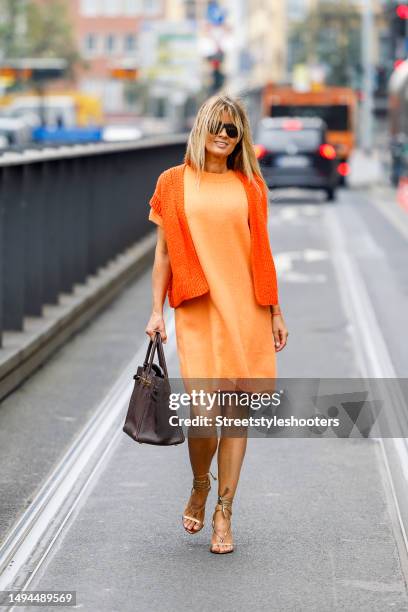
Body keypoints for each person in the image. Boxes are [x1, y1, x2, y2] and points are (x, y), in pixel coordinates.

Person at [145, 93, 288, 554]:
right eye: (217, 127)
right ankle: (200, 485)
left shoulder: (251, 187)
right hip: (197, 309)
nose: (223, 137)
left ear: (241, 136)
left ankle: (224, 513)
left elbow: (261, 253)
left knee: (236, 413)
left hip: (246, 308)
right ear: (201, 128)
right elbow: (164, 254)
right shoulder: (173, 182)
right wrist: (155, 312)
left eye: (233, 130)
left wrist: (276, 311)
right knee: (204, 414)